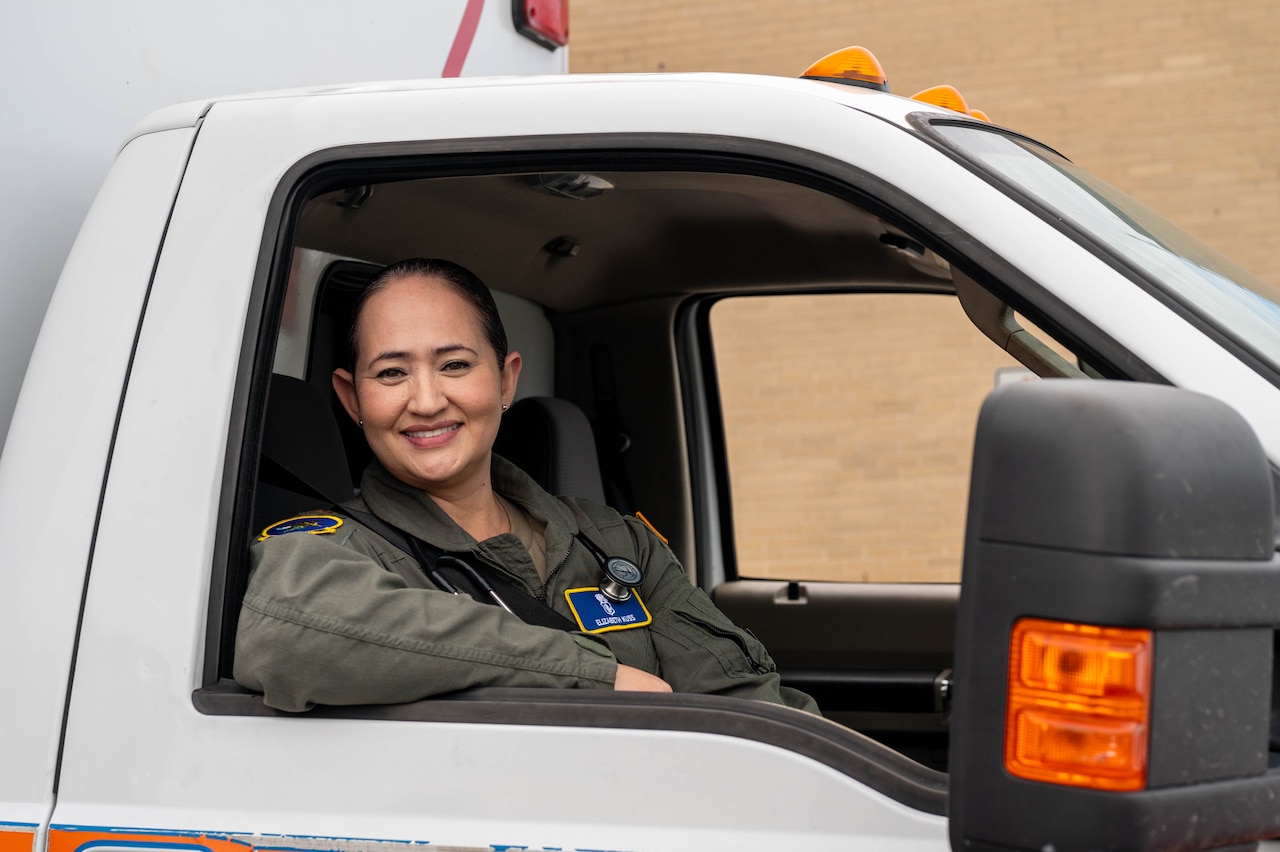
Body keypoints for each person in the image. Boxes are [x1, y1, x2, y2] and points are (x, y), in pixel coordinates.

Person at [234, 258, 818, 715]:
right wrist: (596, 675)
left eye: (455, 365)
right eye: (391, 373)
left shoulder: (613, 542)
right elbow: (286, 634)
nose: (428, 400)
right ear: (351, 398)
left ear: (507, 379)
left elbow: (739, 697)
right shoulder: (329, 553)